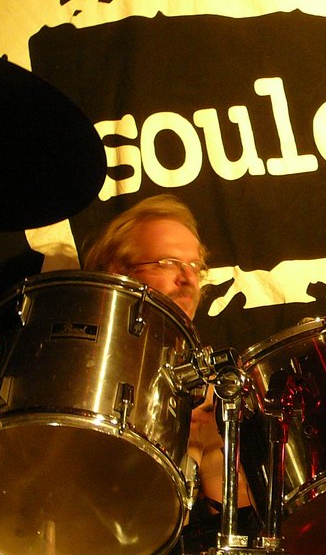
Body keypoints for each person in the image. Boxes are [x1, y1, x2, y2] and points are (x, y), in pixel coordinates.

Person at [80, 193, 256, 551]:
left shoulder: (217, 385)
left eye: (195, 266)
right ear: (118, 272)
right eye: (169, 263)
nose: (188, 279)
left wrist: (212, 450)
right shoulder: (82, 375)